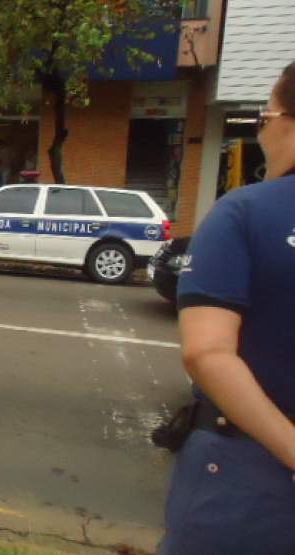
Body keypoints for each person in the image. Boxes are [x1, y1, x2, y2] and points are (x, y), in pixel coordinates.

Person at [158, 60, 295, 555]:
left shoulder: (247, 212)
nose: (261, 134)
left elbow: (208, 352)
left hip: (249, 478)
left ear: (285, 122)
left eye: (264, 118)